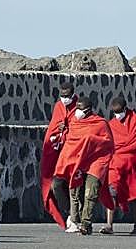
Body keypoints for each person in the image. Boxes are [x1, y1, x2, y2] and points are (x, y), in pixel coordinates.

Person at [49, 95, 114, 235]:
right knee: (69, 189)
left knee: (91, 192)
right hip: (77, 160)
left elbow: (108, 143)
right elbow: (71, 142)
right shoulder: (74, 122)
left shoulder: (101, 123)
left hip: (96, 160)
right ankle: (73, 217)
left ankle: (86, 223)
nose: (77, 111)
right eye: (76, 107)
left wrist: (91, 141)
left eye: (80, 108)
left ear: (88, 110)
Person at [39, 80, 80, 230]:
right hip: (58, 154)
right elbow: (53, 128)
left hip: (73, 153)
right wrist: (60, 129)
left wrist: (68, 128)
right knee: (55, 186)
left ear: (73, 94)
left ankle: (76, 218)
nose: (65, 98)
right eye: (62, 95)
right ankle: (70, 214)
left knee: (73, 186)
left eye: (67, 95)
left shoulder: (79, 107)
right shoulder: (58, 107)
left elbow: (81, 128)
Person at [102, 95, 136, 235]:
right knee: (112, 191)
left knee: (135, 196)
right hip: (115, 163)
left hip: (133, 163)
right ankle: (109, 225)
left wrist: (119, 148)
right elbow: (109, 143)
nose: (117, 115)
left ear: (125, 108)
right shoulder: (111, 124)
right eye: (115, 113)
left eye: (119, 111)